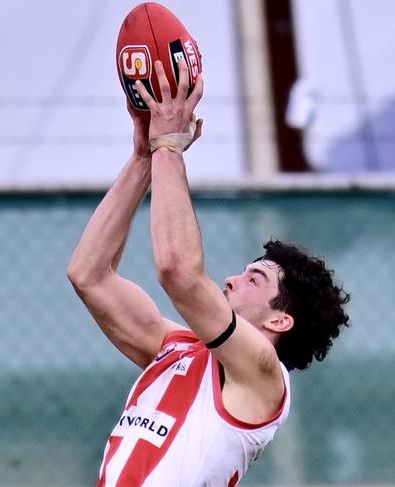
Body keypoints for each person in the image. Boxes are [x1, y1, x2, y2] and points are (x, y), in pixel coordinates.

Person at [67, 59, 350, 486]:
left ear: (279, 319)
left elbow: (178, 271)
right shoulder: (175, 349)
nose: (232, 279)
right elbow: (89, 274)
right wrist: (144, 156)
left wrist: (170, 147)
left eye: (255, 279)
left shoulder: (263, 374)